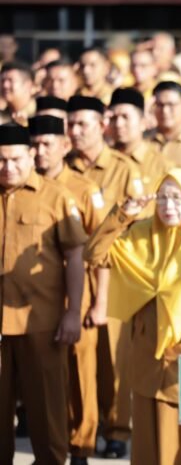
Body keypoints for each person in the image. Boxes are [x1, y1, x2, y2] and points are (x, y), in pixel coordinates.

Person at [84, 168, 181, 464]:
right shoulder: (140, 235)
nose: (170, 207)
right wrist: (122, 216)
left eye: (179, 199)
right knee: (147, 450)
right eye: (164, 198)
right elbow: (93, 255)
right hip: (148, 363)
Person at [0, 123, 88, 465]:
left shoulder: (56, 196)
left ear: (30, 156)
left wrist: (72, 312)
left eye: (16, 159)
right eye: (2, 160)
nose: (8, 167)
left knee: (47, 410)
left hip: (42, 321)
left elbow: (75, 256)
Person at [65, 94, 144, 459]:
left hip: (114, 274)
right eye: (71, 124)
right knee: (78, 360)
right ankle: (82, 431)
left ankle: (116, 430)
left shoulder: (124, 168)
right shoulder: (64, 168)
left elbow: (135, 225)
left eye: (83, 123)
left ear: (102, 125)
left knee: (113, 359)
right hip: (73, 274)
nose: (75, 131)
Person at [29, 114, 106, 464]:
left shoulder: (83, 188)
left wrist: (97, 301)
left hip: (78, 291)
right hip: (35, 300)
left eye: (46, 143)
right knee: (46, 378)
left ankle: (82, 444)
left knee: (78, 372)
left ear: (64, 146)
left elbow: (102, 251)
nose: (39, 151)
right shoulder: (17, 187)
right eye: (34, 144)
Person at [109, 87, 172, 196]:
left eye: (125, 117)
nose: (118, 124)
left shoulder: (162, 167)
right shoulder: (101, 162)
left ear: (143, 122)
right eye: (113, 118)